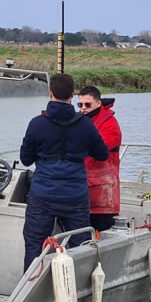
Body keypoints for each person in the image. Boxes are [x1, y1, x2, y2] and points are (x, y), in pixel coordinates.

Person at [20, 73, 109, 270]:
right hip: (75, 195)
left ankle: (30, 290)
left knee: (35, 244)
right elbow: (102, 154)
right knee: (80, 245)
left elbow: (25, 159)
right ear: (73, 95)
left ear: (50, 93)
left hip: (43, 194)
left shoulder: (37, 124)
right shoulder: (86, 124)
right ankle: (76, 290)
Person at [76, 85, 122, 232]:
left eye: (87, 105)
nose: (83, 108)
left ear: (98, 103)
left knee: (101, 240)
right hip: (82, 191)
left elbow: (96, 149)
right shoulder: (79, 122)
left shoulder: (110, 124)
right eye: (80, 104)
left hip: (103, 196)